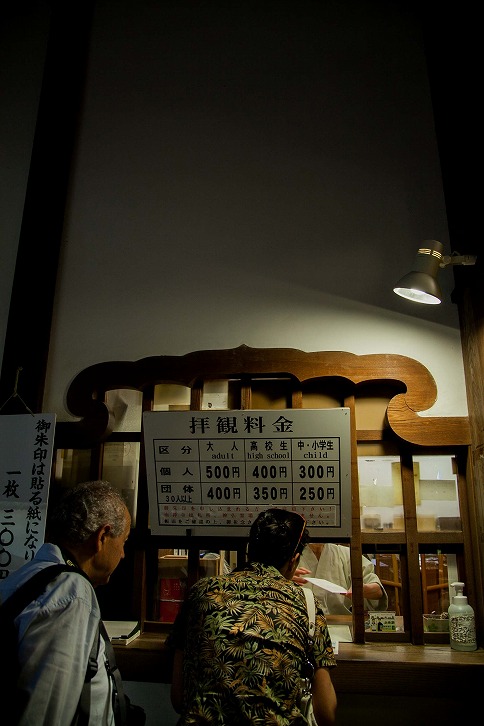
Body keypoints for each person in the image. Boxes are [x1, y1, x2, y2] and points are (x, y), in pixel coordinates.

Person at [170, 508, 337, 726]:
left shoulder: (202, 591)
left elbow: (178, 697)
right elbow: (326, 713)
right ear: (294, 560)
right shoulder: (305, 603)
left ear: (249, 549)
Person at [0, 480, 132, 725]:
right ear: (102, 536)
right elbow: (46, 710)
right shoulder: (72, 592)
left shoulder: (23, 577)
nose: (123, 554)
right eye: (123, 541)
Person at [296, 543, 388, 615]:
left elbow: (378, 591)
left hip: (340, 623)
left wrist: (362, 589)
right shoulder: (292, 554)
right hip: (298, 624)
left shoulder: (346, 554)